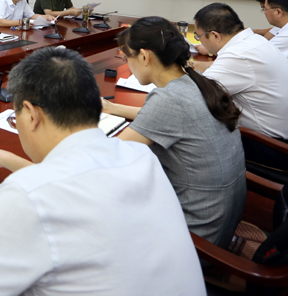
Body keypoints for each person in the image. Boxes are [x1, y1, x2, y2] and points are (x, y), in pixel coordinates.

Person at [0, 47, 209, 296]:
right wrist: (7, 159)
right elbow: (73, 183)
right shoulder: (140, 157)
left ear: (31, 115)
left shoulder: (30, 195)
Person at [102, 17, 245, 247]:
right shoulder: (196, 82)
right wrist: (114, 108)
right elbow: (167, 118)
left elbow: (109, 157)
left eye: (127, 56)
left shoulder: (169, 99)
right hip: (220, 219)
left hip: (196, 236)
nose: (127, 63)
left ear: (144, 56)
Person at [191, 3, 288, 144]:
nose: (199, 40)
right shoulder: (254, 41)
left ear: (214, 35)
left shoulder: (237, 55)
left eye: (198, 36)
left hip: (270, 145)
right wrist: (194, 66)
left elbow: (194, 95)